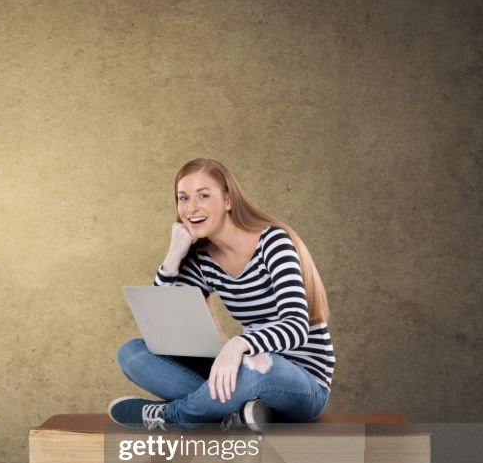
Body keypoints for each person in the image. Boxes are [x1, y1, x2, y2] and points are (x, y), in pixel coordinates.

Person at [109, 158, 335, 432]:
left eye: (204, 195)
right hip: (245, 367)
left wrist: (238, 344)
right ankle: (239, 412)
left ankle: (173, 416)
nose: (191, 208)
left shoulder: (273, 243)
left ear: (228, 200)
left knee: (256, 365)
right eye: (183, 198)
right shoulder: (203, 259)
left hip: (302, 382)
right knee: (132, 353)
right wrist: (172, 258)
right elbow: (163, 325)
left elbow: (296, 327)